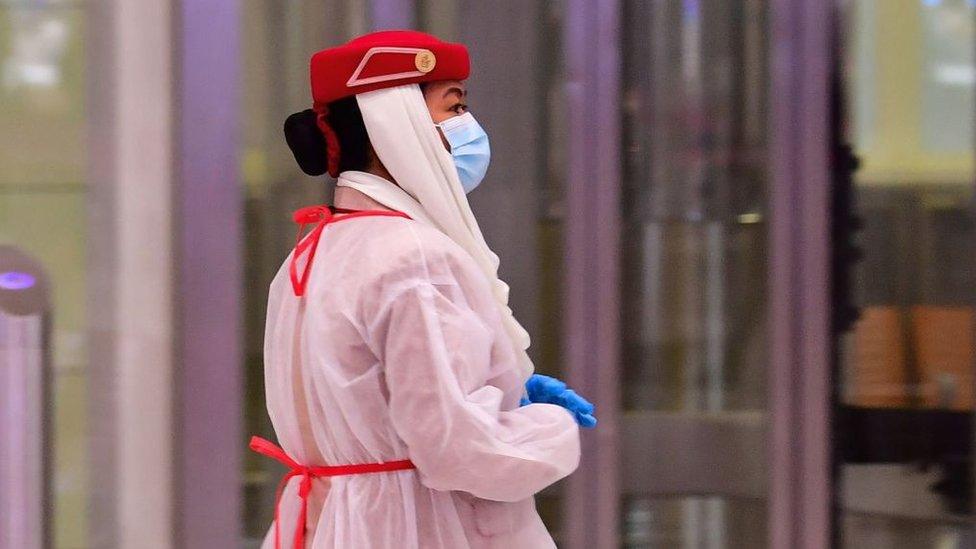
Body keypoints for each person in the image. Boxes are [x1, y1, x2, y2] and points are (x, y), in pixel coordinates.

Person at [250, 30, 596, 549]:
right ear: (398, 122)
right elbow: (456, 448)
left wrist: (498, 393)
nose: (468, 128)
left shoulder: (312, 252)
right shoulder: (414, 256)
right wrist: (548, 426)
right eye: (453, 106)